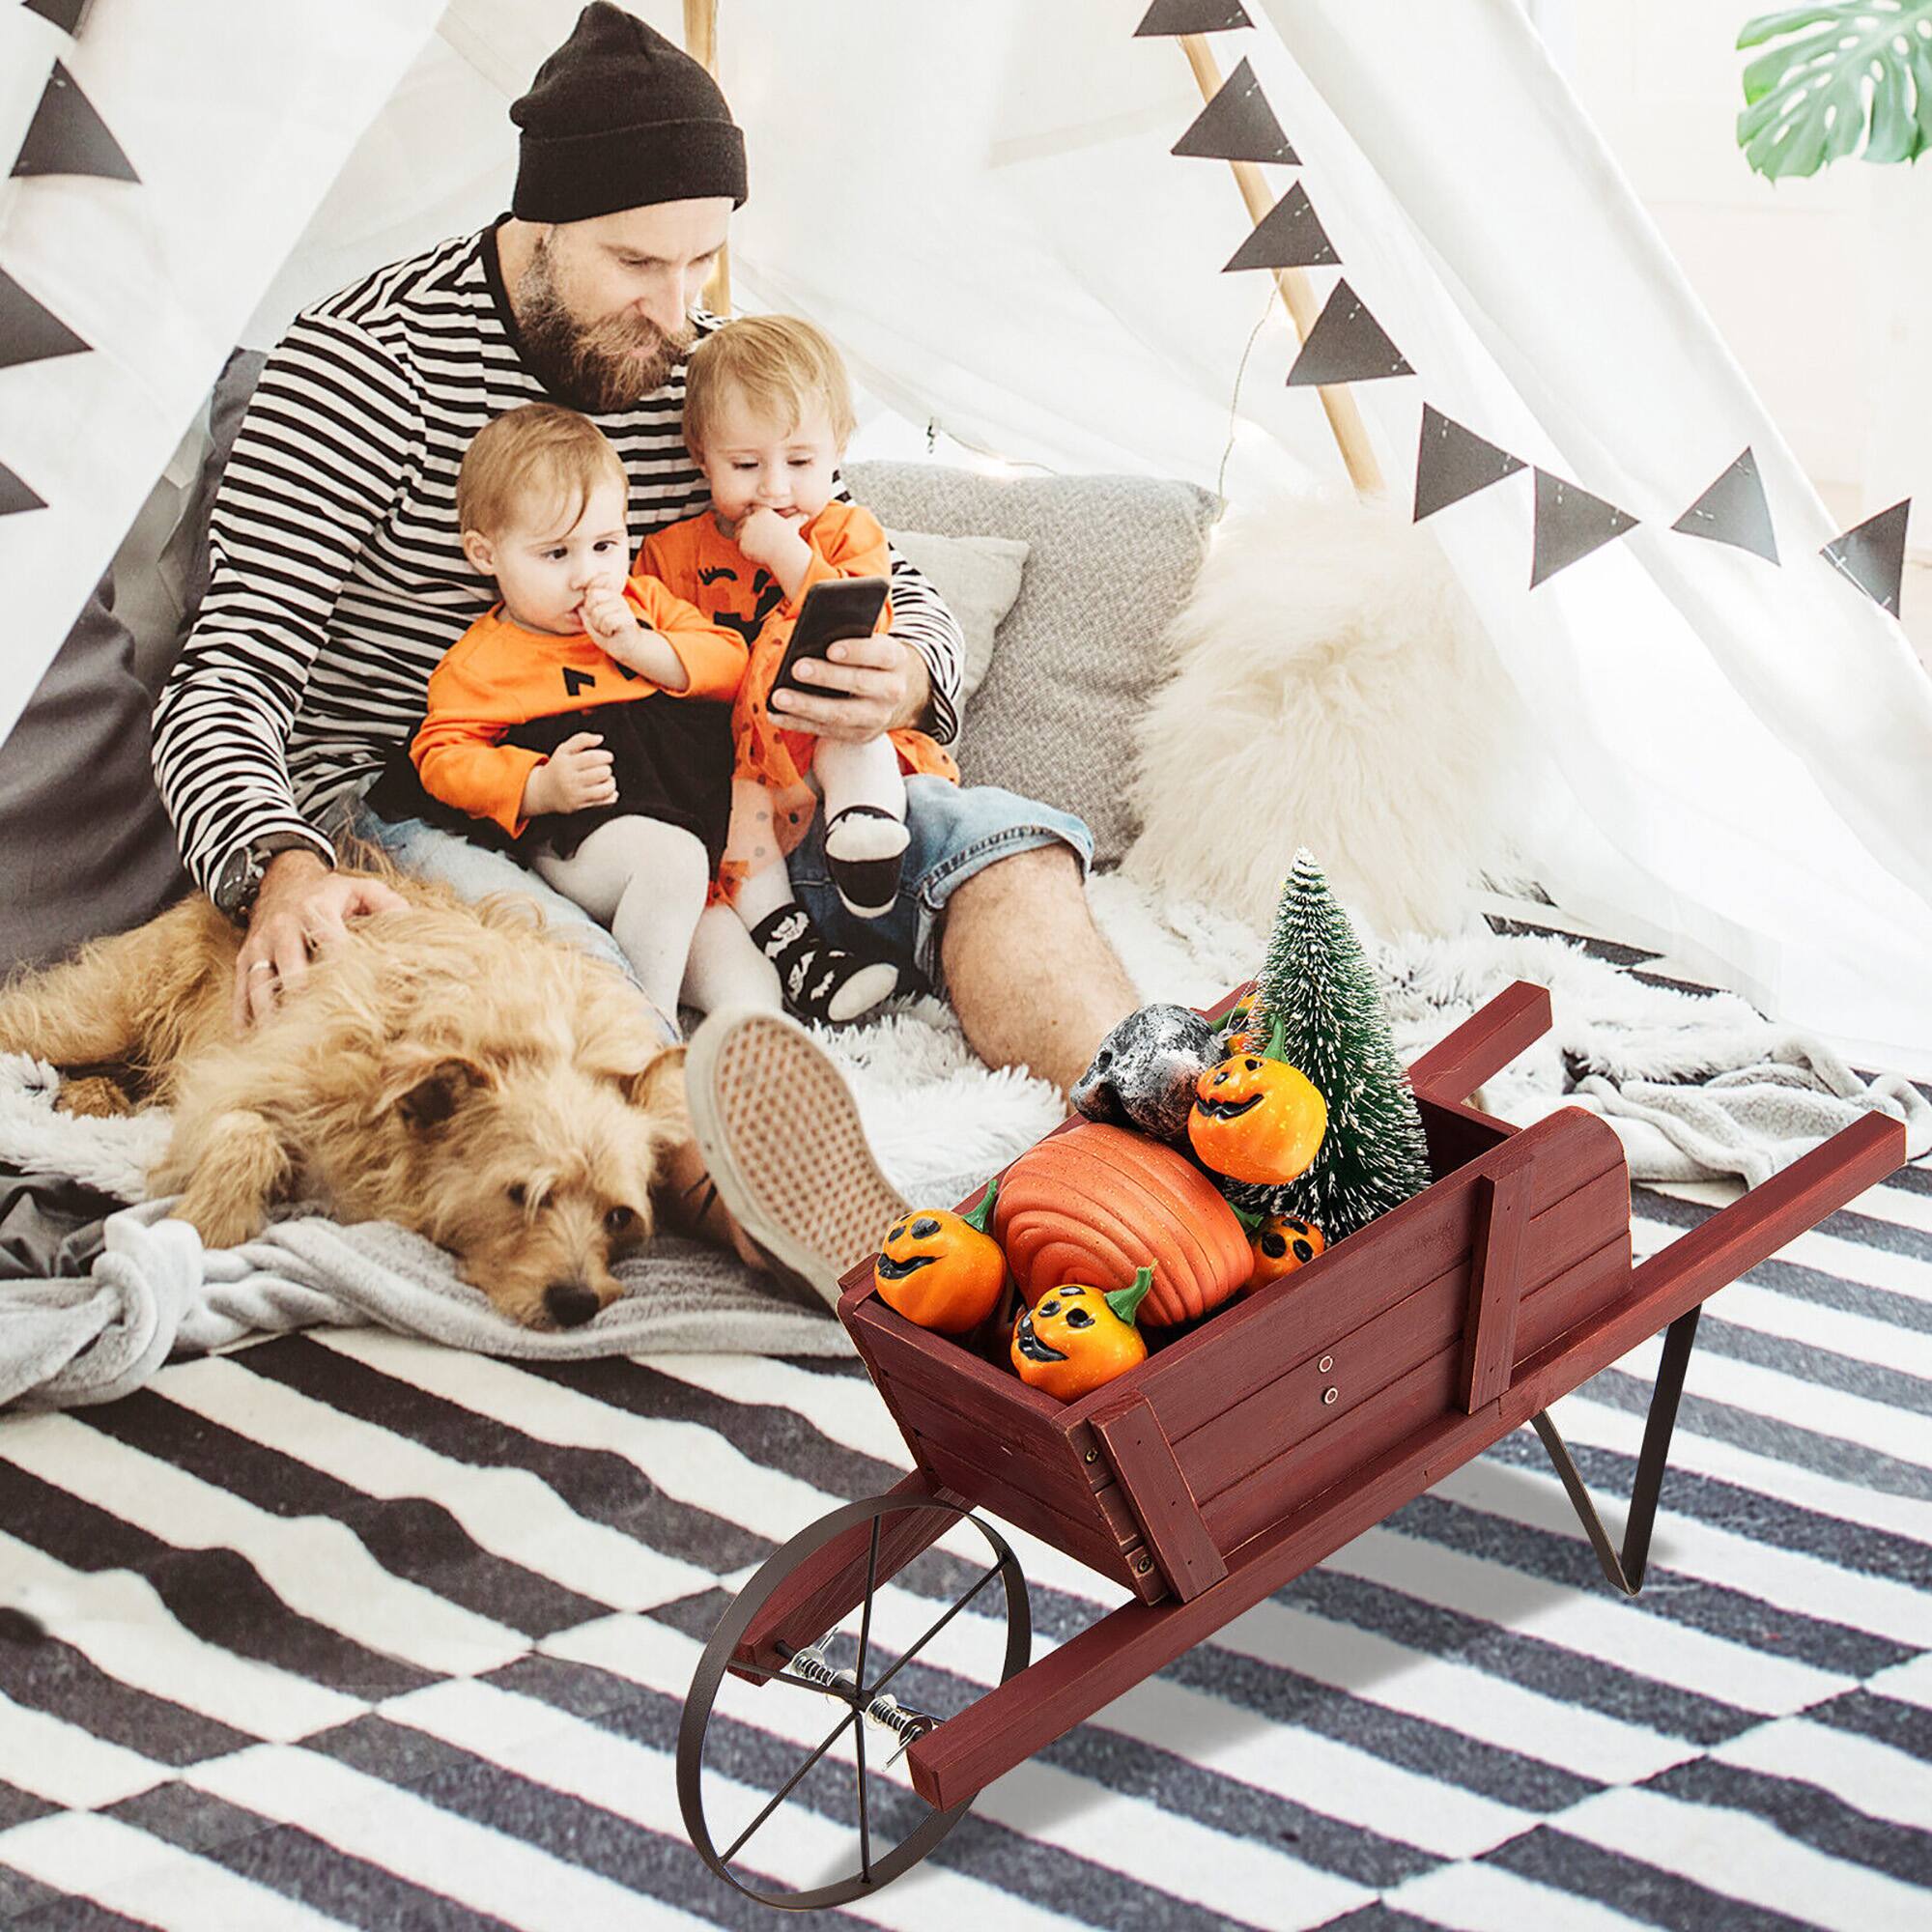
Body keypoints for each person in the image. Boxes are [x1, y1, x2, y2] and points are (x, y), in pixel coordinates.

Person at [152, 0, 1139, 1278]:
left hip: (717, 789)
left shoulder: (703, 370)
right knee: (552, 986)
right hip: (440, 809)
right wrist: (276, 864)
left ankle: (1152, 1135)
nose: (675, 313)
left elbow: (870, 560)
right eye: (637, 266)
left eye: (702, 267)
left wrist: (909, 670)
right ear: (538, 226)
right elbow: (229, 674)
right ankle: (808, 1238)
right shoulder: (357, 372)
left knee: (998, 852)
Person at [644, 314, 958, 1025]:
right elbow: (663, 655)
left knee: (856, 730)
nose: (775, 488)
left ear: (838, 451)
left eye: (801, 462)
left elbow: (871, 629)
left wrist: (786, 555)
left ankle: (866, 842)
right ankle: (803, 959)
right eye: (746, 466)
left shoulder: (848, 532)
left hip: (830, 744)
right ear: (702, 455)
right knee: (736, 842)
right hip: (741, 769)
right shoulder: (671, 555)